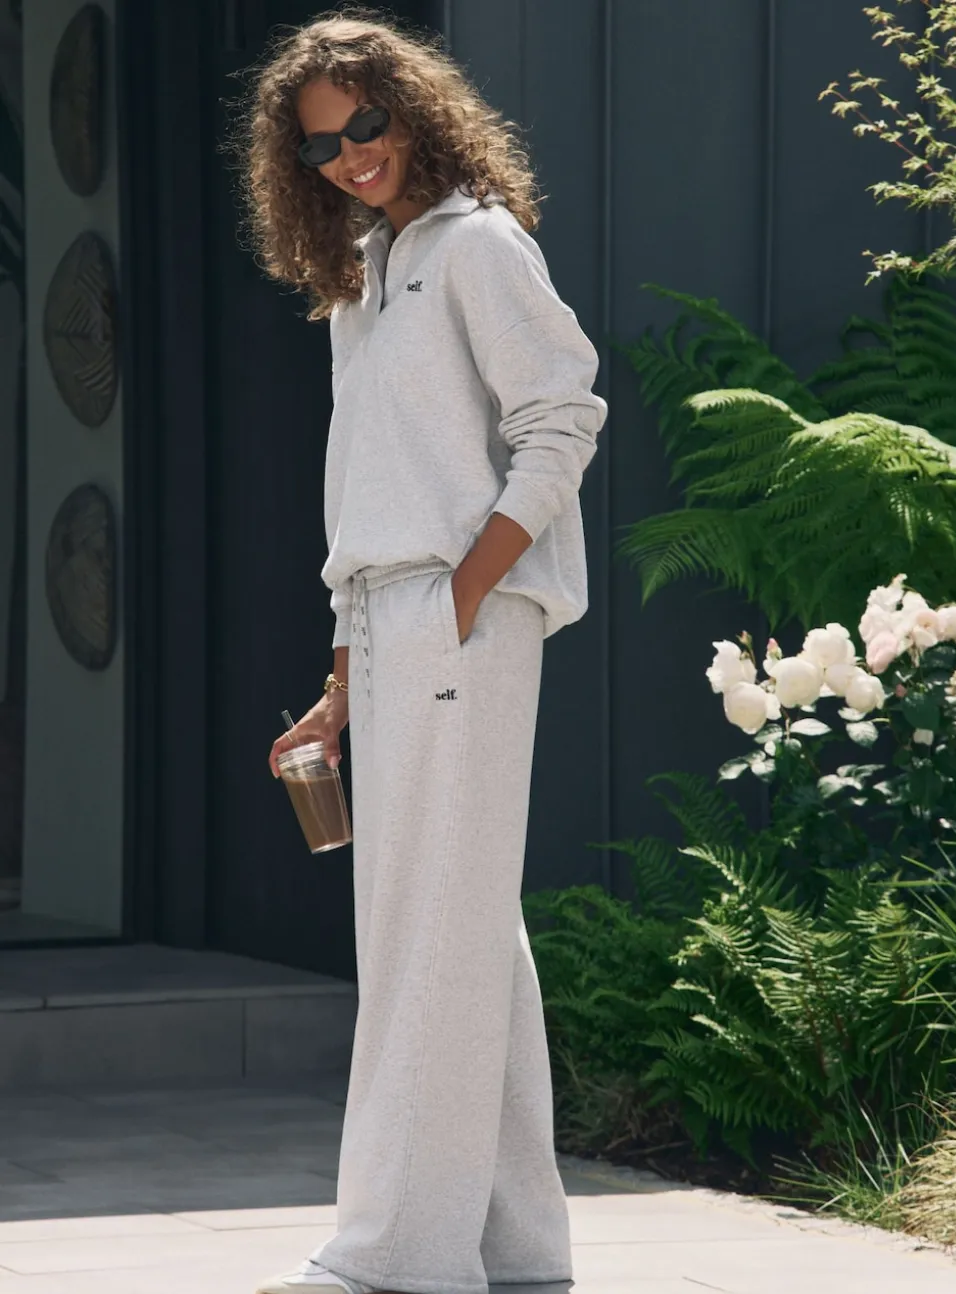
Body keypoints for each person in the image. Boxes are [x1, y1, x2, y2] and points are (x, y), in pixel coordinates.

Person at [238, 11, 607, 1294]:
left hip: (460, 618)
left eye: (367, 123)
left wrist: (461, 595)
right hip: (388, 621)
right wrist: (342, 686)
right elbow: (368, 496)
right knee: (462, 930)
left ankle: (394, 1255)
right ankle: (515, 1243)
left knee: (424, 936)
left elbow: (562, 419)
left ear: (415, 111)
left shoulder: (476, 246)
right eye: (320, 144)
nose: (350, 154)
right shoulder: (367, 271)